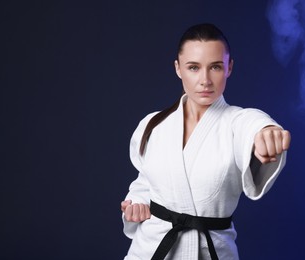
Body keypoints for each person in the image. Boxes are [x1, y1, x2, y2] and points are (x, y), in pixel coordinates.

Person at [120, 23, 291, 260]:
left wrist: (266, 130)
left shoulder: (236, 123)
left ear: (229, 67)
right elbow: (146, 180)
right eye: (193, 67)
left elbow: (252, 124)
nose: (205, 80)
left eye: (215, 67)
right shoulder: (153, 124)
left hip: (212, 252)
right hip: (149, 250)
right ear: (178, 69)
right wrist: (136, 202)